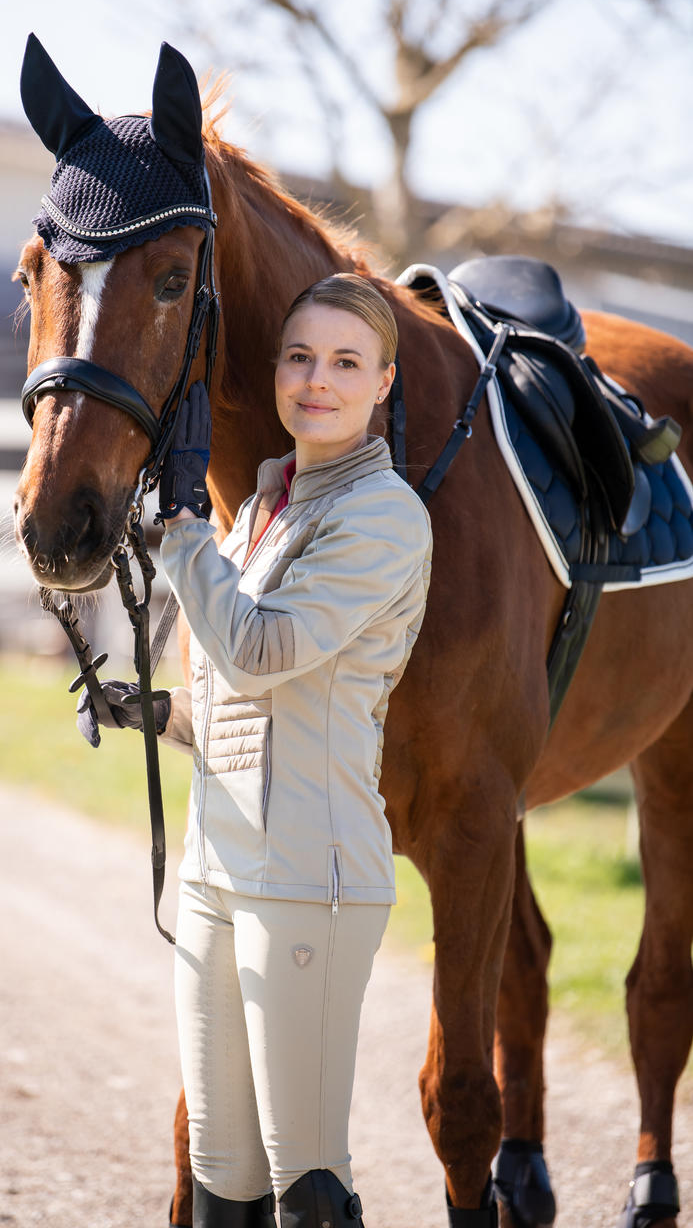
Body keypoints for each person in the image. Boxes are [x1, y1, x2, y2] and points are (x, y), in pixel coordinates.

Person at [78, 273, 433, 1227]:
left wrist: (187, 541)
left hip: (308, 877)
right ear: (275, 371)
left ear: (383, 383)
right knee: (221, 1177)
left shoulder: (383, 517)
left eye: (345, 363)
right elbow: (230, 705)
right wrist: (140, 709)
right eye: (300, 357)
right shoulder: (265, 506)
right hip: (214, 872)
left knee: (306, 1183)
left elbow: (265, 650)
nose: (318, 381)